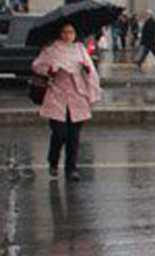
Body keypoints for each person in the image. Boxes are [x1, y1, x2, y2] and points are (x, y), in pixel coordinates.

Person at [32, 23, 102, 182]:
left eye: (71, 32)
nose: (68, 35)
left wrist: (87, 70)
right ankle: (53, 159)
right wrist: (51, 70)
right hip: (57, 96)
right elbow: (37, 65)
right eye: (65, 32)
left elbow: (91, 72)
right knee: (59, 133)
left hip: (77, 97)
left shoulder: (80, 50)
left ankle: (72, 169)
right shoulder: (51, 50)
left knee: (73, 137)